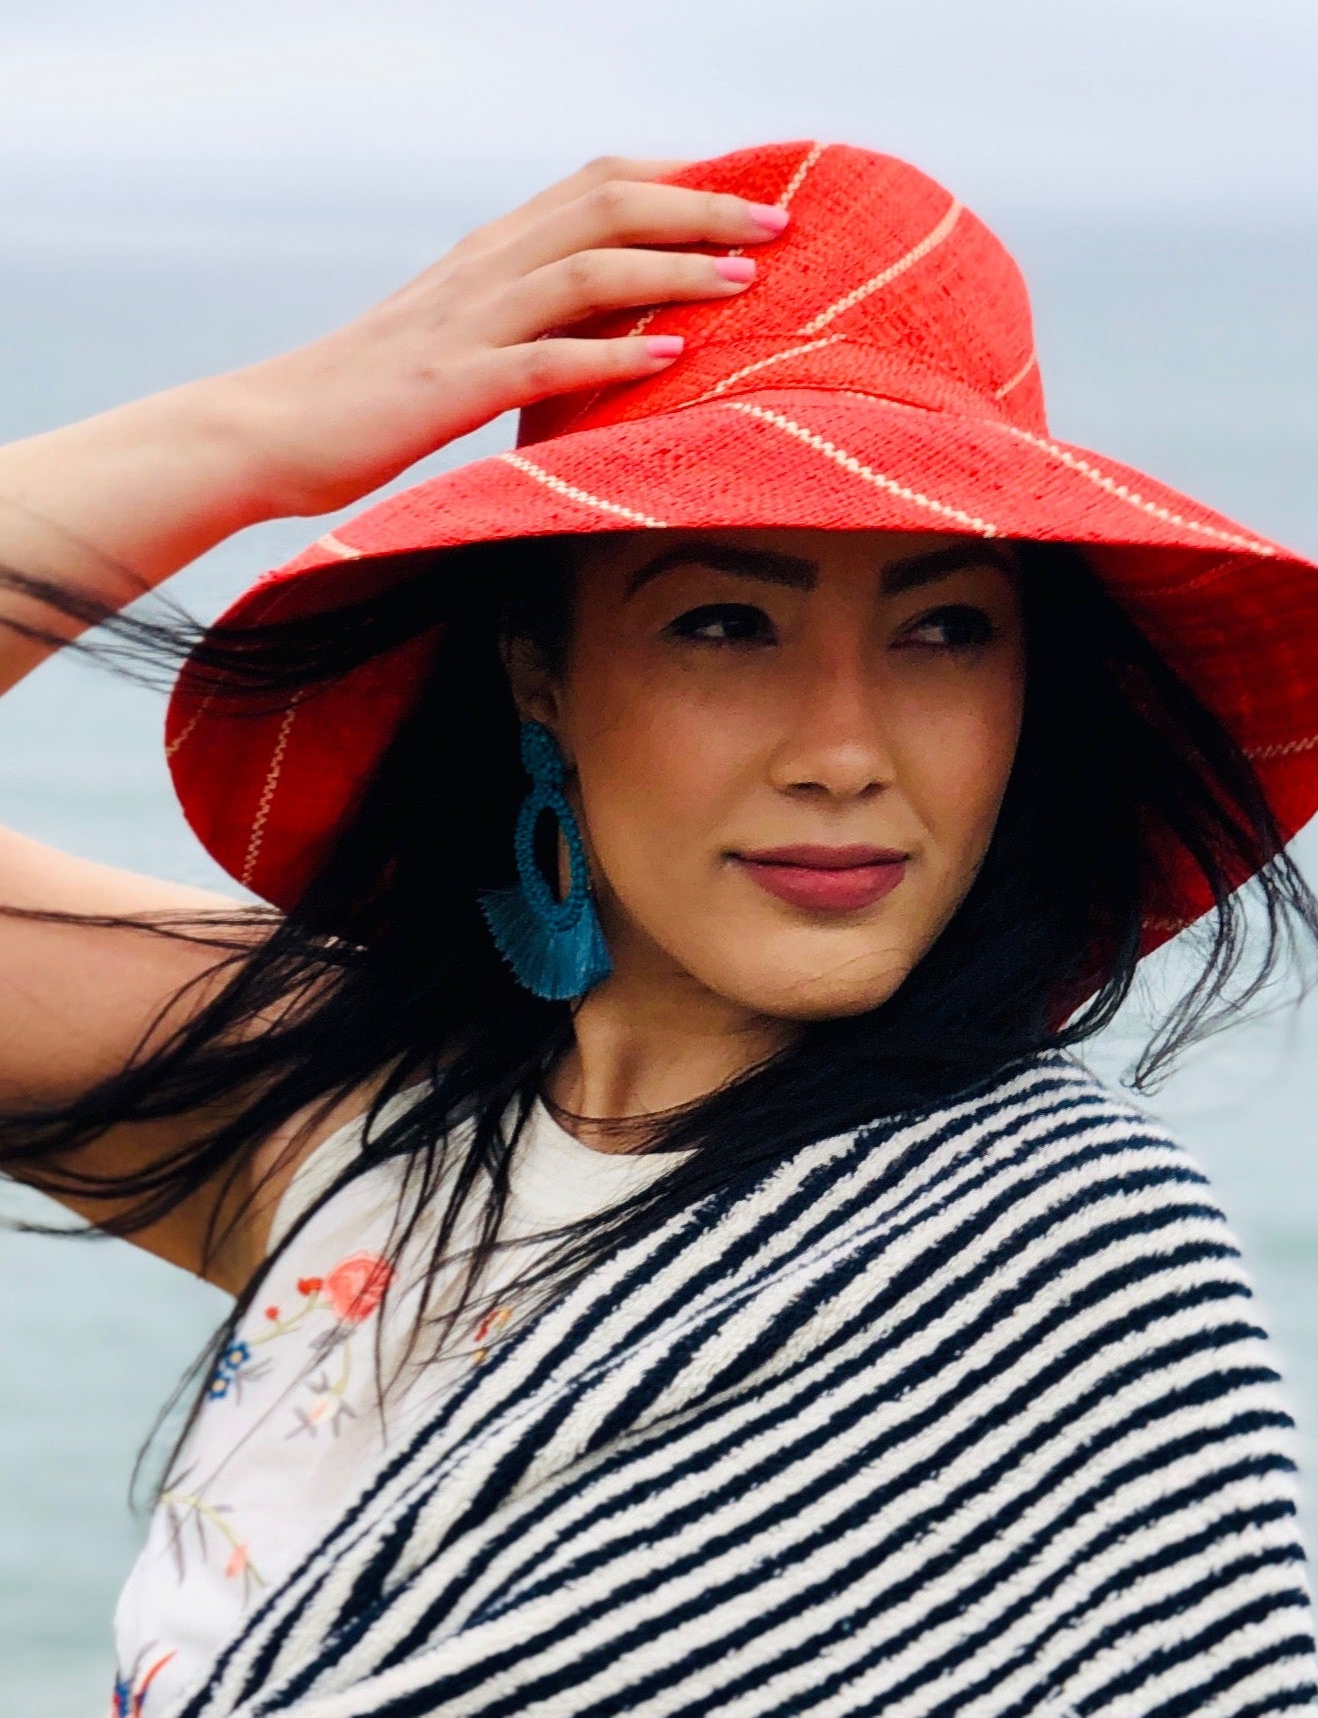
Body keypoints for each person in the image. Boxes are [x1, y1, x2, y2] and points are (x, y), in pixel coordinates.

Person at [2, 139, 1317, 1718]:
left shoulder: (1051, 1255)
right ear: (538, 672)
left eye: (944, 631)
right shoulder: (362, 1121)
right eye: (723, 624)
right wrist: (263, 433)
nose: (844, 748)